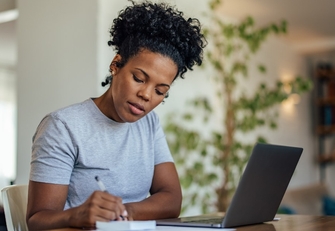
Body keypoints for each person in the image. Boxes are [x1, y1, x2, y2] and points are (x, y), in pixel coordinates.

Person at [26, 0, 206, 230]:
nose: (146, 95)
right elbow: (36, 220)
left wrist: (123, 213)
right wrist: (76, 215)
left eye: (160, 91)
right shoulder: (63, 126)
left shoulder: (148, 123)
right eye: (139, 78)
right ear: (116, 65)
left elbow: (171, 199)